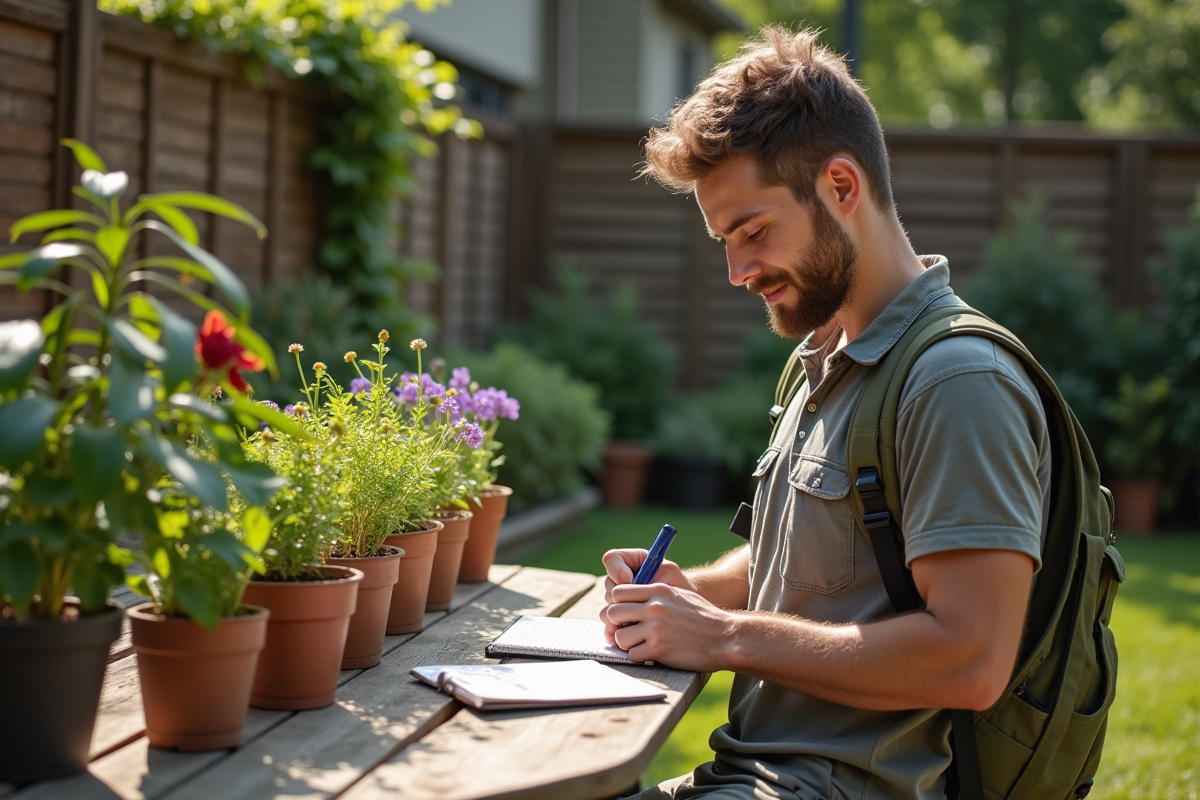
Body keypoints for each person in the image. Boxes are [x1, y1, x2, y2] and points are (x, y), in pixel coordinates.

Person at [600, 27, 1050, 800]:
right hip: (757, 773)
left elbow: (971, 660)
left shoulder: (956, 381)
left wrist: (725, 637)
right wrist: (690, 595)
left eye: (753, 231)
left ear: (841, 186)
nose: (737, 271)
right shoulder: (826, 358)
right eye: (724, 240)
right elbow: (814, 569)